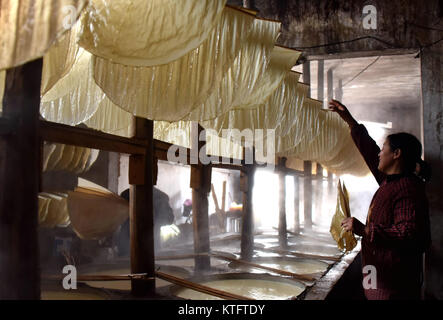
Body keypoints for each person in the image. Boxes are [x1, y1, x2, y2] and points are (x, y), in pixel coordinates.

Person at [329, 99, 431, 300]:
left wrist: (364, 229)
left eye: (384, 149)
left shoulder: (407, 188)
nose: (379, 154)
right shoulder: (390, 181)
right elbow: (369, 150)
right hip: (378, 278)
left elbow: (410, 234)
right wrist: (350, 121)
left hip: (394, 286)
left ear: (396, 154)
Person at [117, 187, 175, 255]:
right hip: (151, 247)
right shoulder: (160, 196)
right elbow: (169, 219)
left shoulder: (125, 194)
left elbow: (117, 218)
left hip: (126, 247)